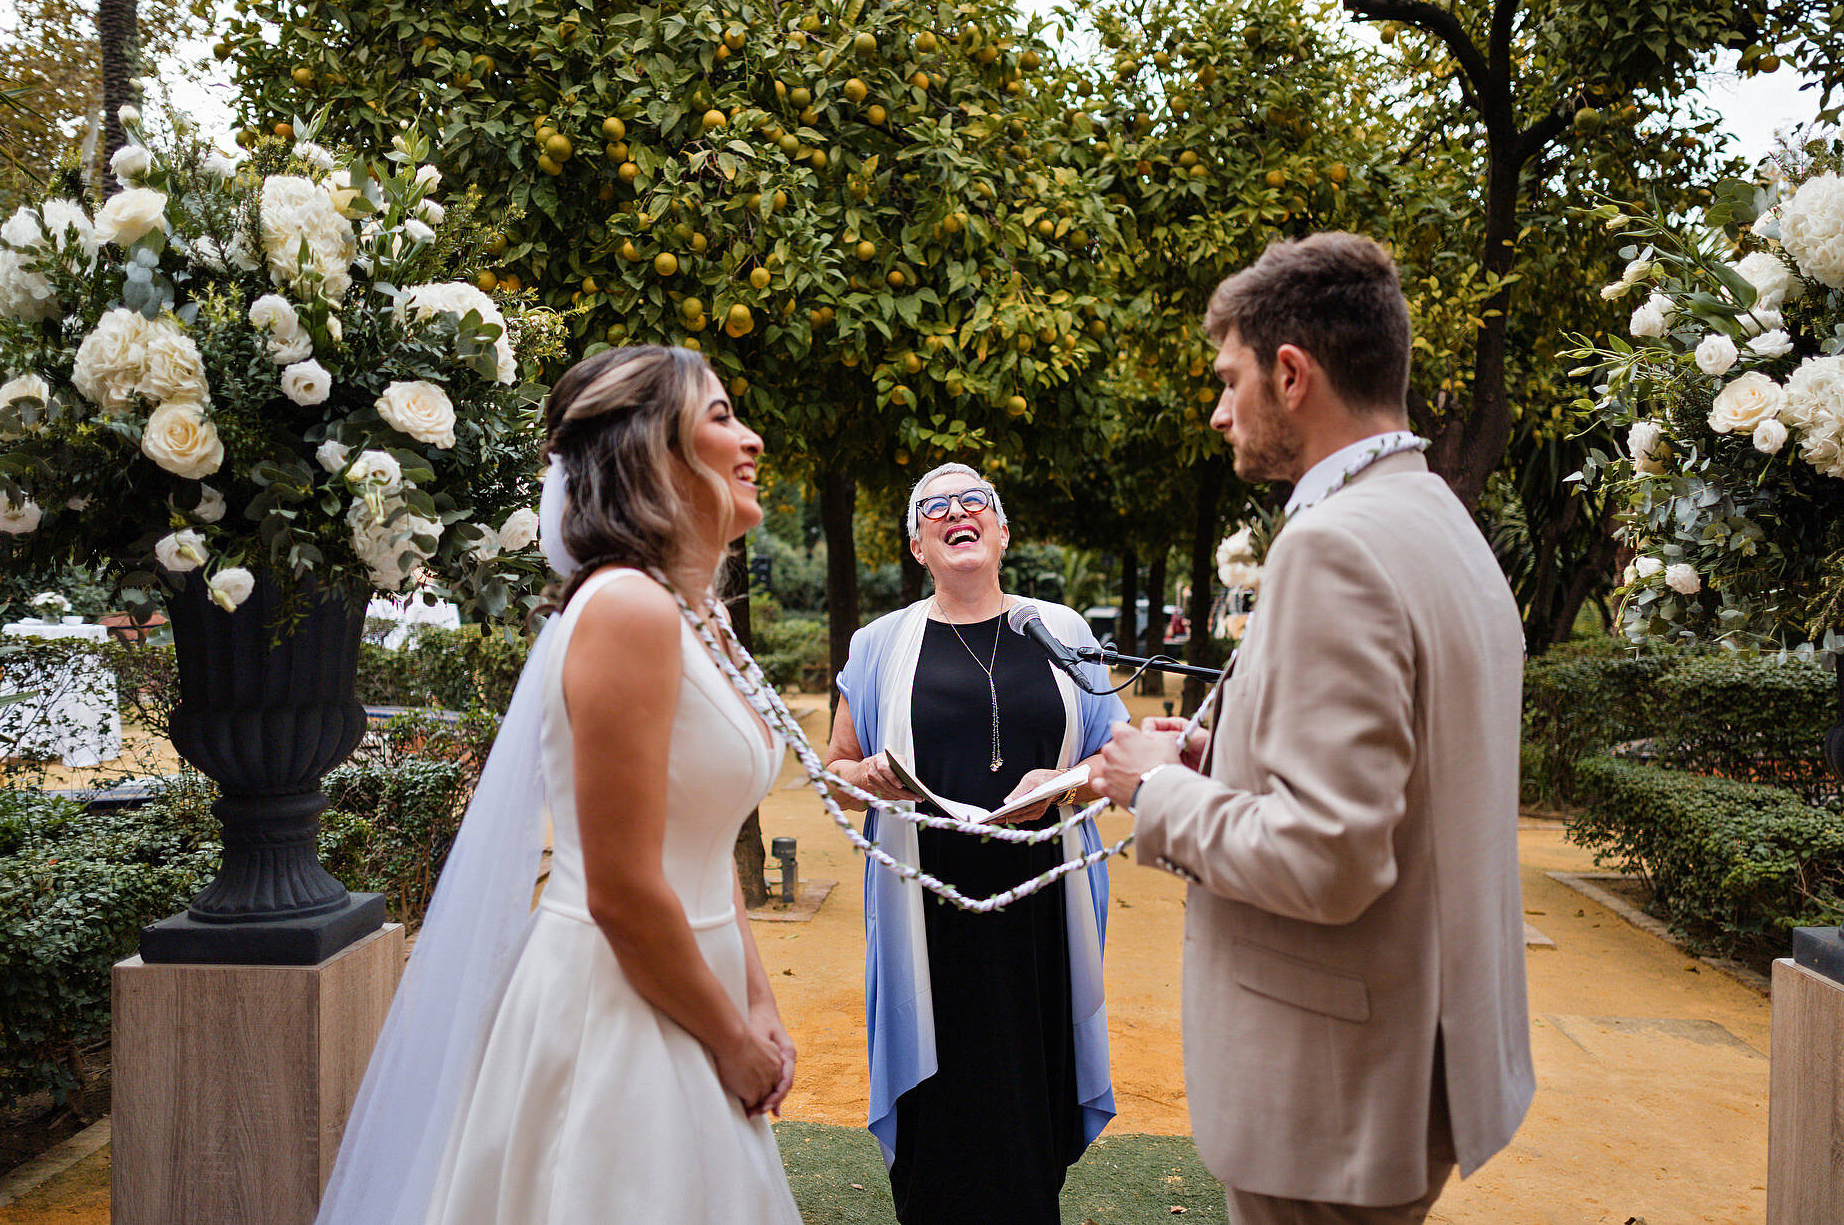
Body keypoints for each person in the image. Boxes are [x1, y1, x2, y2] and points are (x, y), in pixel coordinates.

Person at [1089, 233, 1535, 1224]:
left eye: (1228, 379)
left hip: (1328, 1090)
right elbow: (1409, 771)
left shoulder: (1329, 546)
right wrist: (1220, 757)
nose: (1218, 412)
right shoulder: (1434, 519)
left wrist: (1153, 790)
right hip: (1412, 1057)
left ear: (1288, 375)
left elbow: (1329, 856)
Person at [316, 345, 803, 1224]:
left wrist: (756, 1001)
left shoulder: (703, 615)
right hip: (618, 1005)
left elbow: (695, 832)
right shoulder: (628, 610)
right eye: (722, 416)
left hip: (695, 985)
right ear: (650, 449)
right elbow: (621, 888)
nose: (753, 439)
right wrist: (732, 1042)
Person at [825, 463, 1127, 1224]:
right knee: (941, 1101)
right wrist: (863, 773)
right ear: (919, 545)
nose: (956, 512)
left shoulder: (1062, 631)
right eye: (935, 507)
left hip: (1039, 901)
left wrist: (1070, 784)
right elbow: (835, 768)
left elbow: (1116, 760)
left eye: (974, 502)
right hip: (925, 908)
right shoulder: (878, 644)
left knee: (1031, 1085)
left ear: (1001, 530)